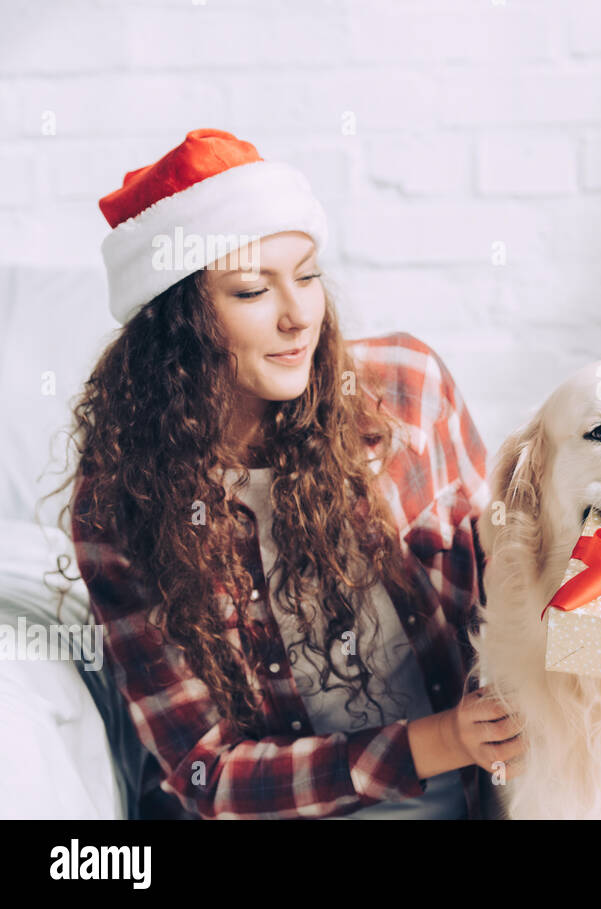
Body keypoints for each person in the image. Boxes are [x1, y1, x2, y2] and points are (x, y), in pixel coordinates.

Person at [52, 129, 522, 818]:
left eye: (306, 274)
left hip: (474, 795)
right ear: (177, 326)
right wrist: (439, 739)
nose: (299, 313)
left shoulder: (403, 390)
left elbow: (510, 571)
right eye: (250, 291)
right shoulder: (121, 501)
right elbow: (205, 772)